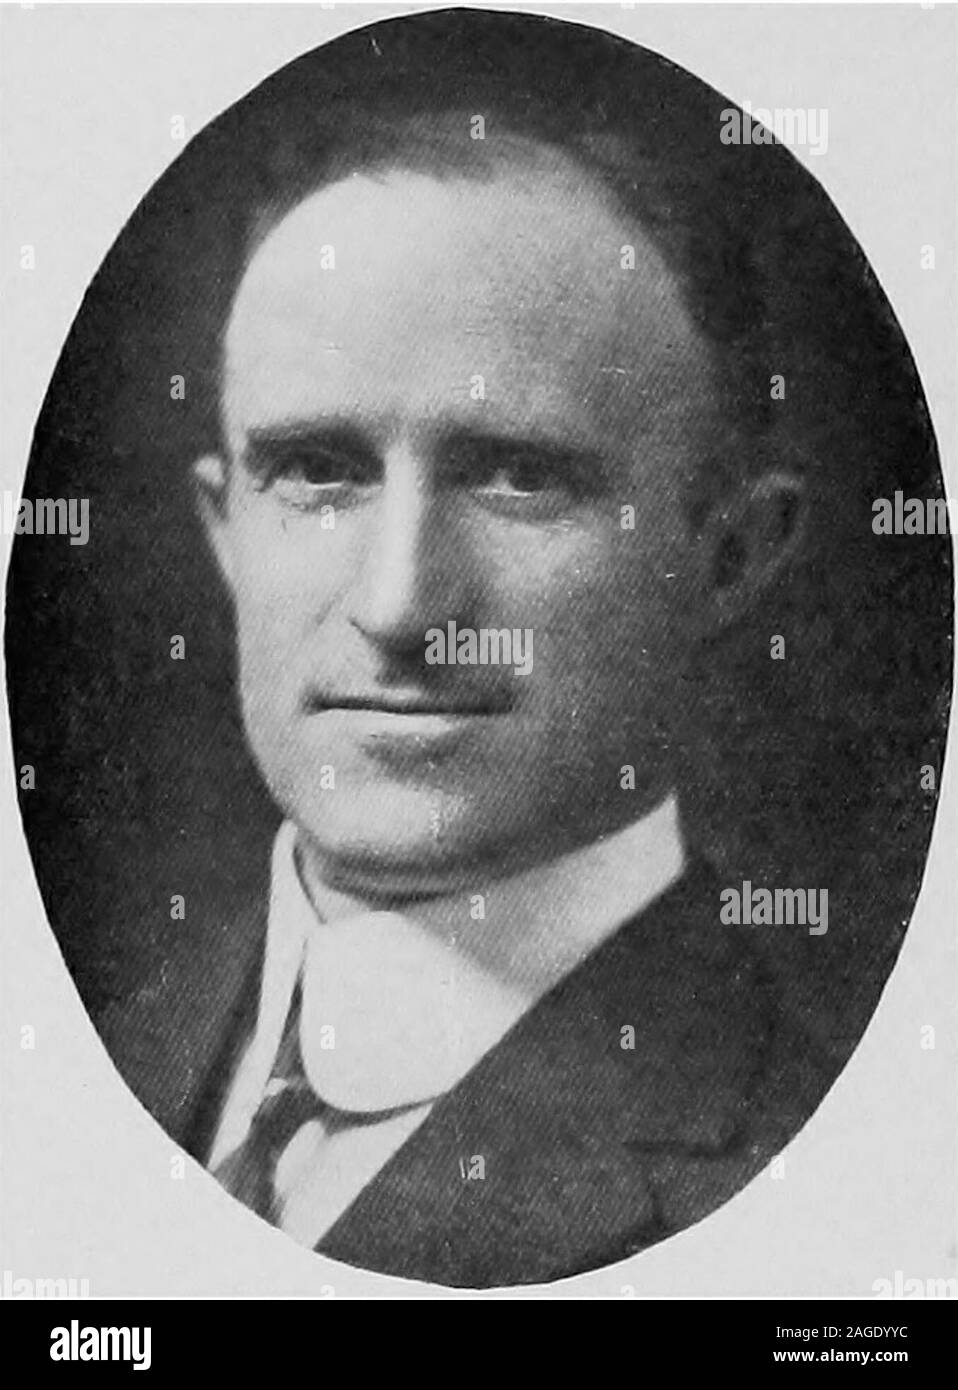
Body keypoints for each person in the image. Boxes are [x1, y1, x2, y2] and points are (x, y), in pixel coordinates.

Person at [59, 10, 947, 1287]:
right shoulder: (77, 1066)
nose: (399, 605)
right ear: (226, 528)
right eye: (315, 469)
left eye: (520, 478)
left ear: (728, 556)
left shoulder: (840, 1195)